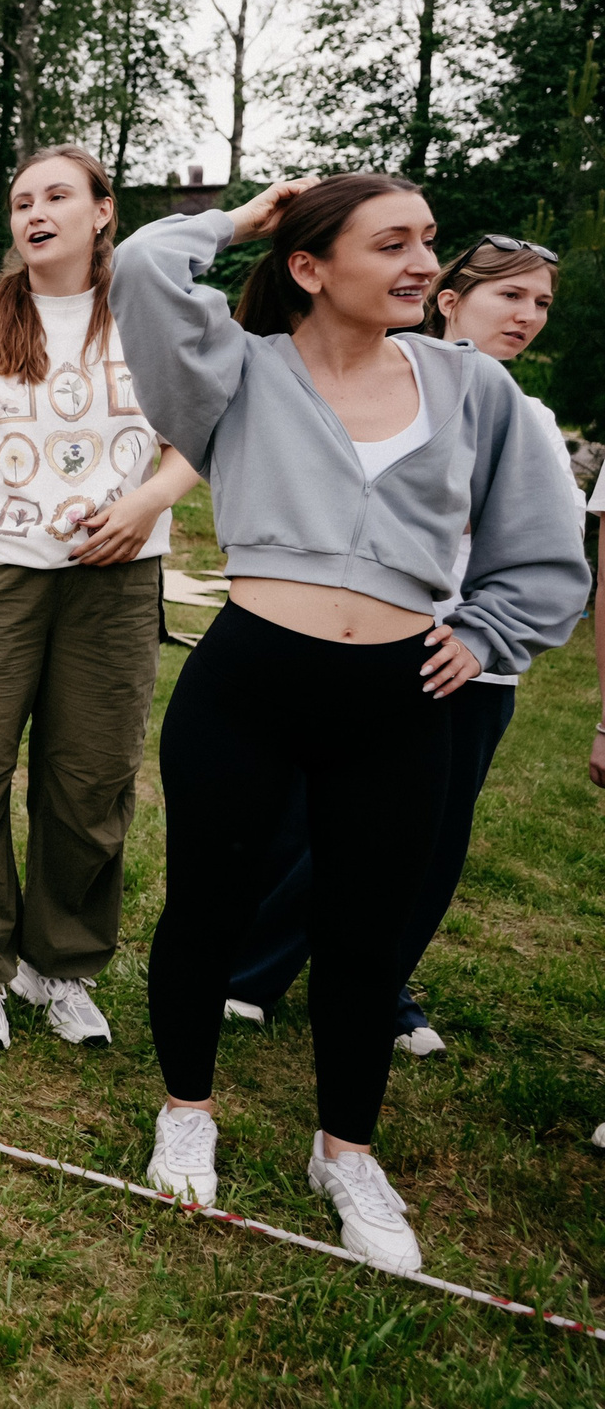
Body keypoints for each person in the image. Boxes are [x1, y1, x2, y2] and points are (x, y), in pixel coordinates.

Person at [113, 174, 586, 1270]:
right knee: (206, 911)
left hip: (399, 698)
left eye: (427, 241)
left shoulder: (474, 390)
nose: (424, 261)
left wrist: (487, 632)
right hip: (248, 681)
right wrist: (244, 220)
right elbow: (142, 266)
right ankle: (187, 1109)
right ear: (310, 266)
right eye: (393, 243)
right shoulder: (234, 373)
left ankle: (345, 1152)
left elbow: (542, 545)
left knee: (369, 935)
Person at [223, 234, 578, 1056]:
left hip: (469, 664)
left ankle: (380, 985)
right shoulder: (377, 380)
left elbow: (545, 549)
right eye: (508, 298)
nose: (526, 317)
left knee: (429, 840)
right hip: (369, 644)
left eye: (541, 304)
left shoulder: (529, 417)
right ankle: (253, 971)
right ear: (450, 300)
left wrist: (489, 636)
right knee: (314, 824)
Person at [0, 146, 200, 1055]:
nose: (36, 212)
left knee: (92, 781)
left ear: (104, 212)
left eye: (58, 196)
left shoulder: (150, 317)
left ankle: (58, 966)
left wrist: (143, 505)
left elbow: (202, 437)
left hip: (115, 579)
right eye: (23, 200)